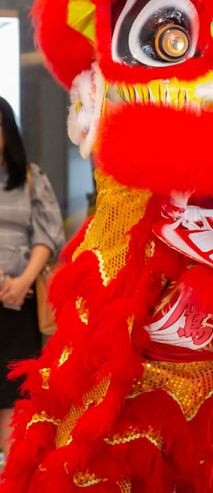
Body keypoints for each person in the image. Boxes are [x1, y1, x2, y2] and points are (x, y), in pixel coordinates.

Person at [0, 96, 65, 460]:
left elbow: (47, 234)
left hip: (17, 305)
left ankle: (11, 475)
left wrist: (23, 281)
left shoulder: (30, 176)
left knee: (14, 398)